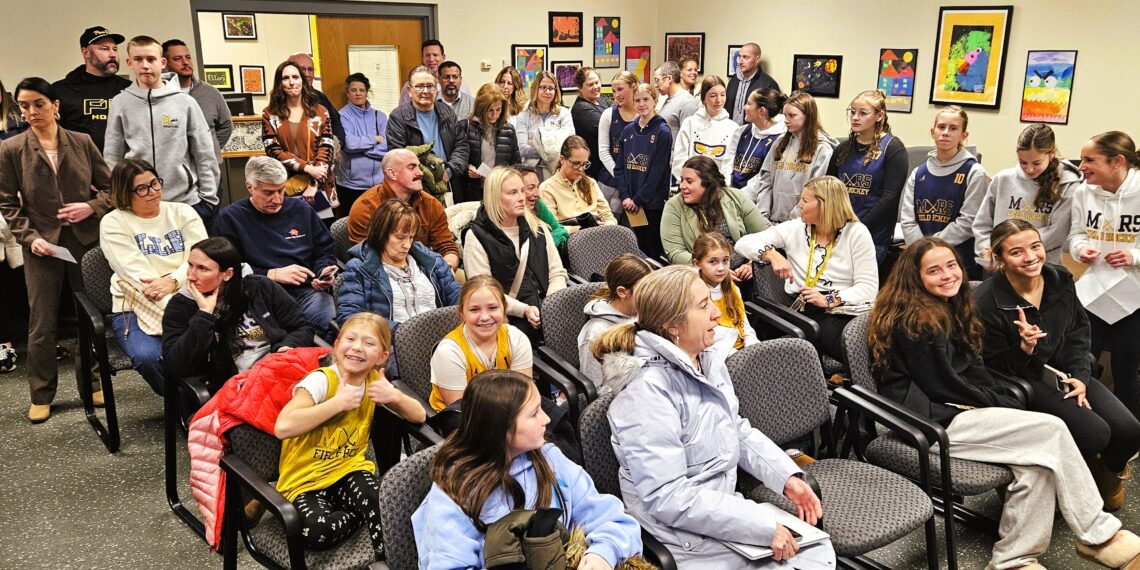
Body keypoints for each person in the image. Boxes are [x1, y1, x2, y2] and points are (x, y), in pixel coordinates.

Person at [868, 236, 1140, 570]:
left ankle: (1013, 560)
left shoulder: (946, 305)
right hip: (931, 421)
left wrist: (1016, 361)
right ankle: (1099, 535)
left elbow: (972, 371)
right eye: (934, 271)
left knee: (1037, 466)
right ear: (916, 278)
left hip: (955, 409)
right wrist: (1000, 402)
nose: (949, 275)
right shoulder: (918, 322)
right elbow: (945, 387)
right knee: (1052, 430)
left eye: (952, 265)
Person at [598, 266, 835, 568]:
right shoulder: (644, 392)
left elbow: (733, 428)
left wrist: (786, 476)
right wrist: (759, 525)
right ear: (672, 325)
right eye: (703, 306)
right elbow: (668, 497)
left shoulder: (704, 357)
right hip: (681, 538)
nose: (715, 313)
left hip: (717, 511)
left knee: (813, 554)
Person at [975, 219, 1140, 510]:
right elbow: (990, 368)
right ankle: (1056, 480)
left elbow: (1078, 331)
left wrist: (1080, 376)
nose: (1030, 257)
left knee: (1129, 431)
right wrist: (1024, 347)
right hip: (1023, 379)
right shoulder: (986, 301)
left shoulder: (1059, 278)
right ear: (999, 259)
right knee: (1094, 433)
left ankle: (1107, 472)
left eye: (1035, 246)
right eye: (1016, 252)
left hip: (1064, 371)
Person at [413, 369, 644, 570]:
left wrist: (602, 554)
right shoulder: (454, 492)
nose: (546, 419)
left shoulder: (549, 459)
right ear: (500, 429)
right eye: (533, 413)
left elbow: (611, 519)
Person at [0, 77, 112, 423]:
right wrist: (30, 237)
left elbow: (110, 189)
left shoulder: (81, 141)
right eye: (24, 105)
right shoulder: (11, 149)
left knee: (88, 316)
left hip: (83, 240)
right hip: (41, 244)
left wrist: (90, 207)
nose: (31, 111)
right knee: (42, 322)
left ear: (55, 106)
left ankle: (92, 382)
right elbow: (6, 202)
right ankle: (41, 392)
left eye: (38, 104)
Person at [274, 312, 426, 562]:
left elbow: (419, 416)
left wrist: (395, 396)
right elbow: (283, 427)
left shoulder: (374, 382)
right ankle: (360, 514)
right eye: (350, 339)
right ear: (336, 345)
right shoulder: (321, 381)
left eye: (369, 343)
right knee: (317, 532)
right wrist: (338, 403)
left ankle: (386, 562)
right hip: (304, 481)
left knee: (385, 502)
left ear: (382, 356)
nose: (357, 347)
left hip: (348, 470)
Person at [737, 176, 878, 363]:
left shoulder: (857, 233)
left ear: (825, 205)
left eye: (805, 200)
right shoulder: (796, 227)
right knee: (859, 346)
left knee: (887, 339)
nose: (799, 205)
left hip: (847, 307)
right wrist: (771, 254)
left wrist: (829, 299)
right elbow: (743, 243)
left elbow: (868, 288)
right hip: (809, 310)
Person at [100, 158, 207, 396]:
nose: (152, 192)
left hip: (190, 293)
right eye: (141, 188)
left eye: (155, 183)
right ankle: (185, 407)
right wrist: (180, 307)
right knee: (149, 357)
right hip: (136, 307)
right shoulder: (113, 222)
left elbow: (200, 259)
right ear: (124, 193)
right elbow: (137, 276)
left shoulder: (183, 212)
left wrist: (173, 281)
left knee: (216, 345)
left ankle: (211, 403)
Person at [162, 236, 317, 393]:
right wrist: (204, 315)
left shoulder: (260, 287)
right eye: (190, 265)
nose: (190, 276)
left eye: (203, 269)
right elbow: (176, 366)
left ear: (227, 274)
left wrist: (286, 347)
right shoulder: (181, 306)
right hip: (237, 387)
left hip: (280, 370)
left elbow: (302, 326)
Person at [212, 156, 338, 341]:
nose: (277, 199)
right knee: (281, 339)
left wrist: (323, 271)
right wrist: (272, 274)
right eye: (268, 193)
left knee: (334, 330)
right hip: (259, 299)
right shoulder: (230, 218)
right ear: (250, 188)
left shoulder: (301, 209)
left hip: (306, 292)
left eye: (281, 190)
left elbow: (324, 250)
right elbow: (227, 271)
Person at [104, 35, 220, 227]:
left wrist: (208, 200)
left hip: (185, 202)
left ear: (162, 62)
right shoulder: (120, 103)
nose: (145, 66)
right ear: (129, 63)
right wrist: (119, 199)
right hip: (139, 204)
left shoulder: (185, 102)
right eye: (138, 59)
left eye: (151, 59)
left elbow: (205, 154)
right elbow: (112, 156)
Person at [1068, 131, 1140, 415]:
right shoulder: (1083, 191)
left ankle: (1127, 441)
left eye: (1089, 160)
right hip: (1093, 292)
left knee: (1126, 371)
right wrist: (1081, 249)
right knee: (1081, 365)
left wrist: (1133, 256)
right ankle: (1089, 427)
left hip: (1134, 297)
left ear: (1117, 161)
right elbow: (1076, 234)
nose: (1081, 166)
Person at [463, 167, 567, 341]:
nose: (522, 197)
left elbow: (557, 272)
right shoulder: (476, 237)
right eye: (513, 193)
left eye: (522, 190)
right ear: (494, 197)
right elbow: (485, 293)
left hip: (549, 313)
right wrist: (524, 310)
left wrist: (551, 306)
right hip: (509, 323)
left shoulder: (538, 228)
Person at [336, 198, 461, 338]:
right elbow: (350, 318)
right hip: (392, 345)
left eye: (411, 237)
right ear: (381, 235)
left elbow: (460, 301)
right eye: (400, 237)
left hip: (442, 339)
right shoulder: (359, 269)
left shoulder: (432, 262)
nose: (407, 245)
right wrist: (401, 333)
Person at [899, 106, 987, 279]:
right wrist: (921, 250)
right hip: (920, 260)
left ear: (964, 136)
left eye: (953, 128)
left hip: (958, 262)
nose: (945, 133)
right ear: (933, 132)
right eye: (941, 127)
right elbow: (907, 219)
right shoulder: (918, 173)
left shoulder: (975, 172)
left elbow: (968, 221)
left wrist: (932, 248)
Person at [973, 124, 1079, 265]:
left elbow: (1057, 233)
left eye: (1036, 163)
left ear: (1051, 153)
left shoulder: (1068, 184)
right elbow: (982, 224)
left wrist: (1014, 250)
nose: (1029, 169)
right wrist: (988, 248)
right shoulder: (1003, 179)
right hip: (1001, 263)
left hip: (1041, 266)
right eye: (1023, 162)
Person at [428, 276, 533, 411]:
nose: (484, 317)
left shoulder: (515, 338)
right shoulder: (449, 352)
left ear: (504, 308)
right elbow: (461, 410)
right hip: (465, 416)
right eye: (474, 310)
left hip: (509, 407)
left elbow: (524, 394)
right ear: (461, 313)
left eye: (493, 308)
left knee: (557, 425)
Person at [826, 89, 908, 264]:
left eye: (863, 113)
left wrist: (858, 227)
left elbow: (890, 197)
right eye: (853, 112)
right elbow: (828, 189)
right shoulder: (843, 149)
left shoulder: (893, 148)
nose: (855, 117)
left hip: (873, 235)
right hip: (838, 231)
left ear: (879, 116)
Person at [347, 149, 460, 270]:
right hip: (383, 275)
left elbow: (447, 247)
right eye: (412, 168)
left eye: (419, 167)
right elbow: (366, 258)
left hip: (427, 271)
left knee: (469, 284)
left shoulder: (431, 204)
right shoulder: (365, 206)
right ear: (392, 173)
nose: (420, 173)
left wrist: (447, 268)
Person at [662, 155, 768, 267]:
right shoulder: (674, 206)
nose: (682, 186)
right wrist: (712, 269)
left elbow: (762, 236)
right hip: (700, 275)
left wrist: (751, 263)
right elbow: (676, 253)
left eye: (689, 181)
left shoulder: (736, 196)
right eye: (682, 180)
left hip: (743, 271)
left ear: (708, 183)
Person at [261, 59, 338, 214]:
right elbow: (274, 151)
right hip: (286, 185)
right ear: (279, 83)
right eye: (285, 78)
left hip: (320, 185)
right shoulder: (270, 114)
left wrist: (313, 182)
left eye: (295, 77)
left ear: (303, 81)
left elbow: (326, 148)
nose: (291, 82)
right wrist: (307, 168)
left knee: (322, 233)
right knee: (292, 234)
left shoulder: (320, 111)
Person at [751, 91, 838, 224]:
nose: (786, 120)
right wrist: (762, 216)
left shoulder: (822, 150)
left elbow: (815, 193)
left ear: (808, 116)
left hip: (799, 223)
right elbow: (765, 181)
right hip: (770, 222)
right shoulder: (779, 143)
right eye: (785, 115)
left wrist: (791, 222)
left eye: (792, 115)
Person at [387, 66, 469, 199]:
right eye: (419, 86)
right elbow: (397, 154)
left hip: (448, 182)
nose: (425, 91)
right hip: (415, 188)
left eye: (430, 86)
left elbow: (461, 146)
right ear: (409, 90)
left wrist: (449, 171)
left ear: (436, 89)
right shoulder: (398, 117)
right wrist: (425, 177)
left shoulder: (447, 112)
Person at [578, 254, 652, 389]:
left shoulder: (643, 314)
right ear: (622, 292)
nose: (650, 296)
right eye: (644, 290)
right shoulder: (596, 331)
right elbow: (595, 388)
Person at [615, 84, 672, 260]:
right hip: (631, 204)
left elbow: (657, 172)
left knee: (653, 248)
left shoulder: (662, 132)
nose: (641, 104)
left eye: (646, 99)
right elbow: (620, 168)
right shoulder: (628, 131)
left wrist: (638, 199)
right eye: (637, 100)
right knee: (639, 248)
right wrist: (625, 196)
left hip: (651, 203)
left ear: (655, 101)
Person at [53, 26, 130, 152]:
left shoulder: (129, 89)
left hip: (122, 167)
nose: (112, 55)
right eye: (104, 49)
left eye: (115, 49)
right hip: (80, 166)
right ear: (86, 53)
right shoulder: (62, 90)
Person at [162, 39, 232, 162]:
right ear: (165, 64)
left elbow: (226, 126)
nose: (185, 62)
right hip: (174, 169)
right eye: (178, 59)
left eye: (188, 57)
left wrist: (210, 149)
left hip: (208, 167)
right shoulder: (159, 95)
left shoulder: (210, 93)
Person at [694, 232, 759, 350]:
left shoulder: (734, 289)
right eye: (713, 261)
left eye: (725, 260)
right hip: (717, 352)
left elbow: (745, 326)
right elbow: (705, 341)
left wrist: (752, 346)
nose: (721, 268)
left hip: (742, 350)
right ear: (697, 264)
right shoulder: (694, 295)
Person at [458, 84, 521, 204]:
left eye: (498, 110)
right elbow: (458, 159)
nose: (495, 115)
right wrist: (468, 168)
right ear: (481, 108)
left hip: (500, 191)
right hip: (474, 191)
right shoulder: (465, 127)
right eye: (490, 110)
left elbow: (516, 164)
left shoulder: (508, 130)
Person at [337, 72, 388, 217]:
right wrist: (374, 139)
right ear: (347, 93)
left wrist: (363, 150)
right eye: (353, 90)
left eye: (362, 90)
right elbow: (350, 144)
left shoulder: (380, 116)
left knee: (380, 226)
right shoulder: (342, 116)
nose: (358, 94)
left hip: (379, 184)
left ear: (367, 92)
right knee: (351, 226)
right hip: (351, 185)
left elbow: (388, 146)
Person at [540, 135, 617, 228]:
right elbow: (551, 227)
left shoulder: (590, 183)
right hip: (568, 238)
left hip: (597, 234)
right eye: (576, 164)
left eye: (584, 164)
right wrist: (581, 229)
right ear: (562, 159)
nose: (581, 169)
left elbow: (607, 215)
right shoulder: (547, 188)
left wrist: (608, 224)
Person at [672, 75, 736, 182]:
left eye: (722, 95)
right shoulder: (690, 123)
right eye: (713, 95)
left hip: (718, 189)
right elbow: (679, 159)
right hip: (691, 186)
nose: (719, 100)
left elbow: (729, 165)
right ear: (704, 98)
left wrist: (722, 187)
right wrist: (689, 182)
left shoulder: (733, 128)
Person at [515, 71, 575, 180]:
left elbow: (570, 145)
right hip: (532, 171)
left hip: (558, 171)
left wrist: (534, 142)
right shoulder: (523, 116)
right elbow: (522, 149)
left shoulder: (564, 114)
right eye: (543, 87)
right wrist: (555, 143)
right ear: (535, 89)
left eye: (551, 88)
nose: (547, 92)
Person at [597, 71, 640, 217]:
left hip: (636, 185)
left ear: (633, 87)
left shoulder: (645, 116)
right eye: (614, 91)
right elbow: (603, 152)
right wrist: (621, 177)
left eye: (620, 89)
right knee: (608, 228)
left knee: (634, 231)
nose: (616, 95)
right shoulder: (609, 114)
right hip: (610, 182)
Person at [730, 88, 786, 192]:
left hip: (754, 198)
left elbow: (764, 177)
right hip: (732, 193)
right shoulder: (741, 131)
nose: (744, 107)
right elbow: (728, 163)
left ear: (761, 111)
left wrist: (741, 197)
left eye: (749, 104)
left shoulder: (779, 139)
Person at [286, 53, 345, 145]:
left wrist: (337, 144)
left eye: (310, 70)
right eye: (302, 69)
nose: (307, 74)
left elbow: (336, 123)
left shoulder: (320, 98)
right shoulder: (280, 99)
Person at [399, 40, 473, 107]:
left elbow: (470, 106)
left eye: (435, 55)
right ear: (423, 58)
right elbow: (403, 113)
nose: (431, 59)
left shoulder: (461, 85)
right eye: (427, 55)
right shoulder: (411, 85)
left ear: (443, 57)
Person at [570, 66, 611, 184]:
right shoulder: (582, 109)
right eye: (590, 84)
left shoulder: (603, 101)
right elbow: (610, 128)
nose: (596, 87)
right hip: (594, 170)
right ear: (580, 88)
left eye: (597, 82)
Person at [517, 163, 569, 250]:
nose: (537, 193)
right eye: (530, 188)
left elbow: (559, 228)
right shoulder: (511, 216)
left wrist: (547, 244)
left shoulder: (538, 204)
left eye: (537, 187)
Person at [725, 43, 780, 124]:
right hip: (731, 132)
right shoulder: (733, 82)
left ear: (757, 59)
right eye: (739, 56)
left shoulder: (768, 84)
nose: (740, 61)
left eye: (745, 57)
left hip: (754, 133)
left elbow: (772, 116)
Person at [653, 62, 699, 140]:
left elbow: (691, 138)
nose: (655, 85)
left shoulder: (687, 102)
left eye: (657, 80)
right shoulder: (668, 99)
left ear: (669, 78)